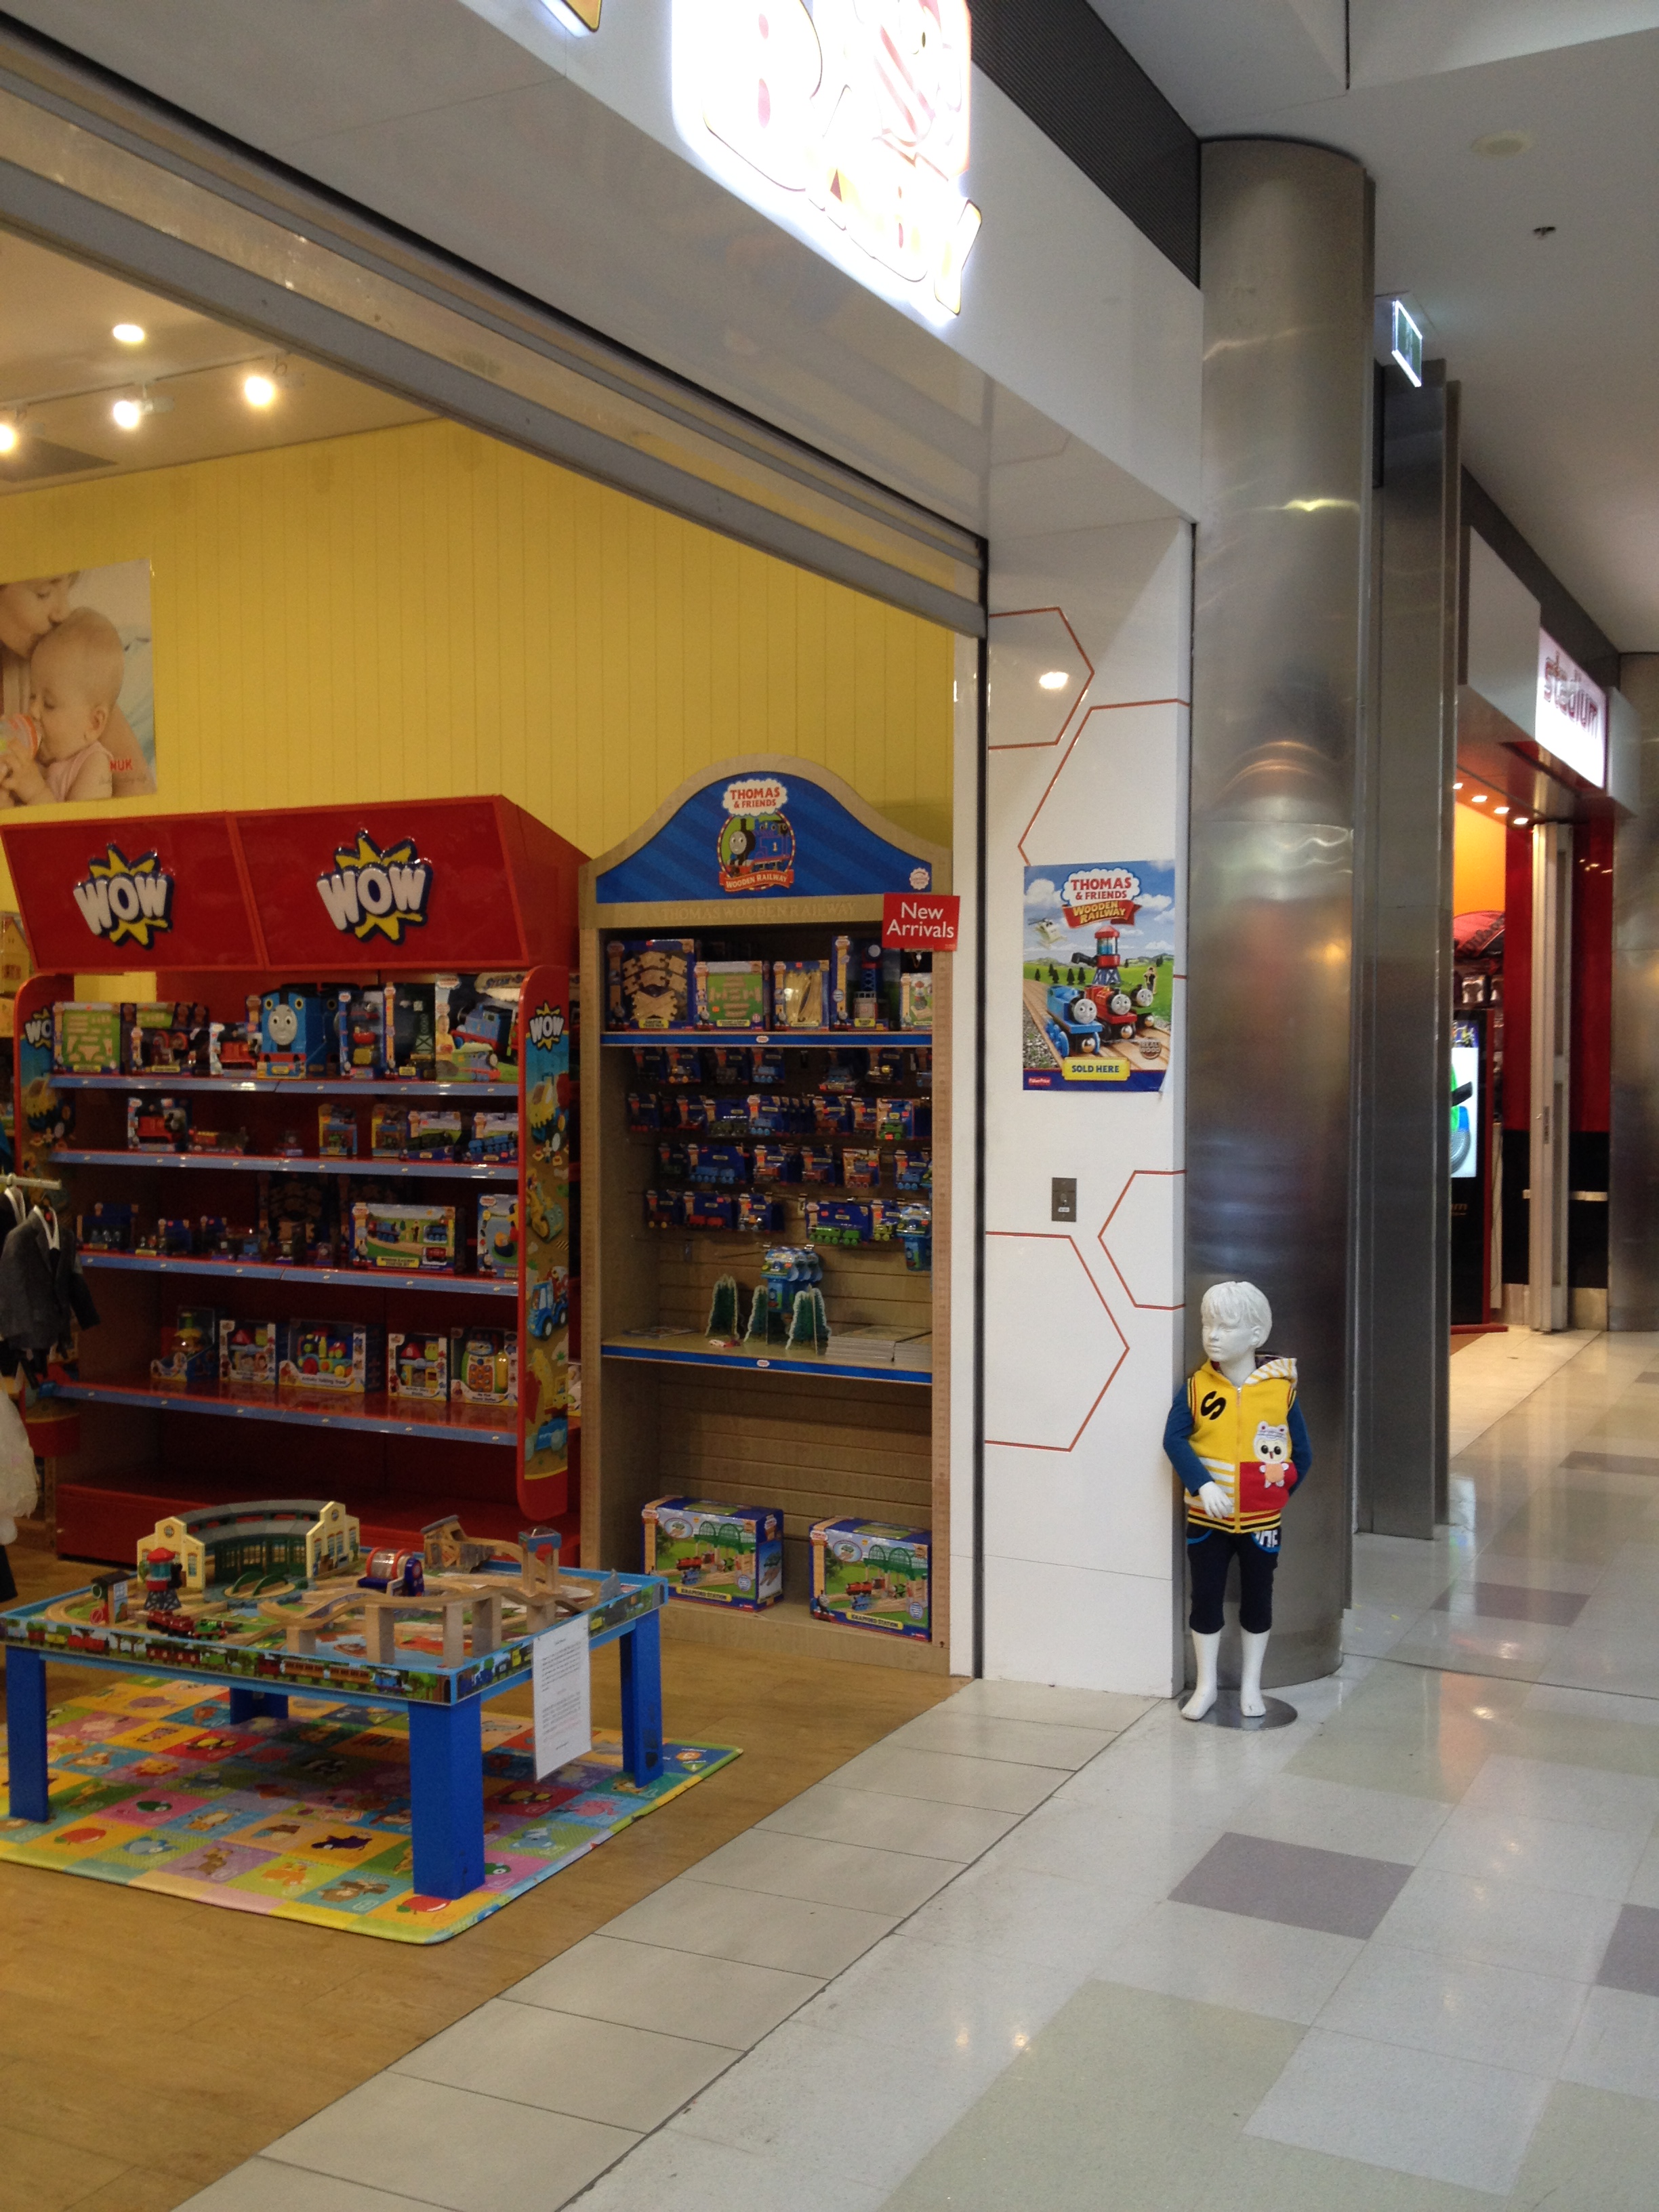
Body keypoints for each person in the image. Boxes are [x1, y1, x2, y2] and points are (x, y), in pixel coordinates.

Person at [1164, 1279, 1311, 1719]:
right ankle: (1206, 1685)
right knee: (1205, 1598)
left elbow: (1302, 1453)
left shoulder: (1281, 1391)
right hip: (1207, 1521)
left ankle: (1251, 1684)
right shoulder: (1197, 1387)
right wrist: (1202, 1484)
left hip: (1262, 1524)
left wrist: (1276, 1496)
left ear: (1255, 1335)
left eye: (1225, 1327)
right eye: (1207, 1324)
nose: (1212, 1336)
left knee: (1258, 1599)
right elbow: (1174, 1439)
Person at [0, 572, 155, 797]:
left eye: (68, 588)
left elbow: (136, 787)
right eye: (44, 593)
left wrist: (35, 792)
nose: (63, 612)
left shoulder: (54, 663)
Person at [0, 606, 124, 804]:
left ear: (93, 724)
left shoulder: (94, 765)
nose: (33, 710)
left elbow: (78, 824)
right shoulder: (38, 760)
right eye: (32, 696)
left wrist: (35, 792)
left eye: (49, 704)